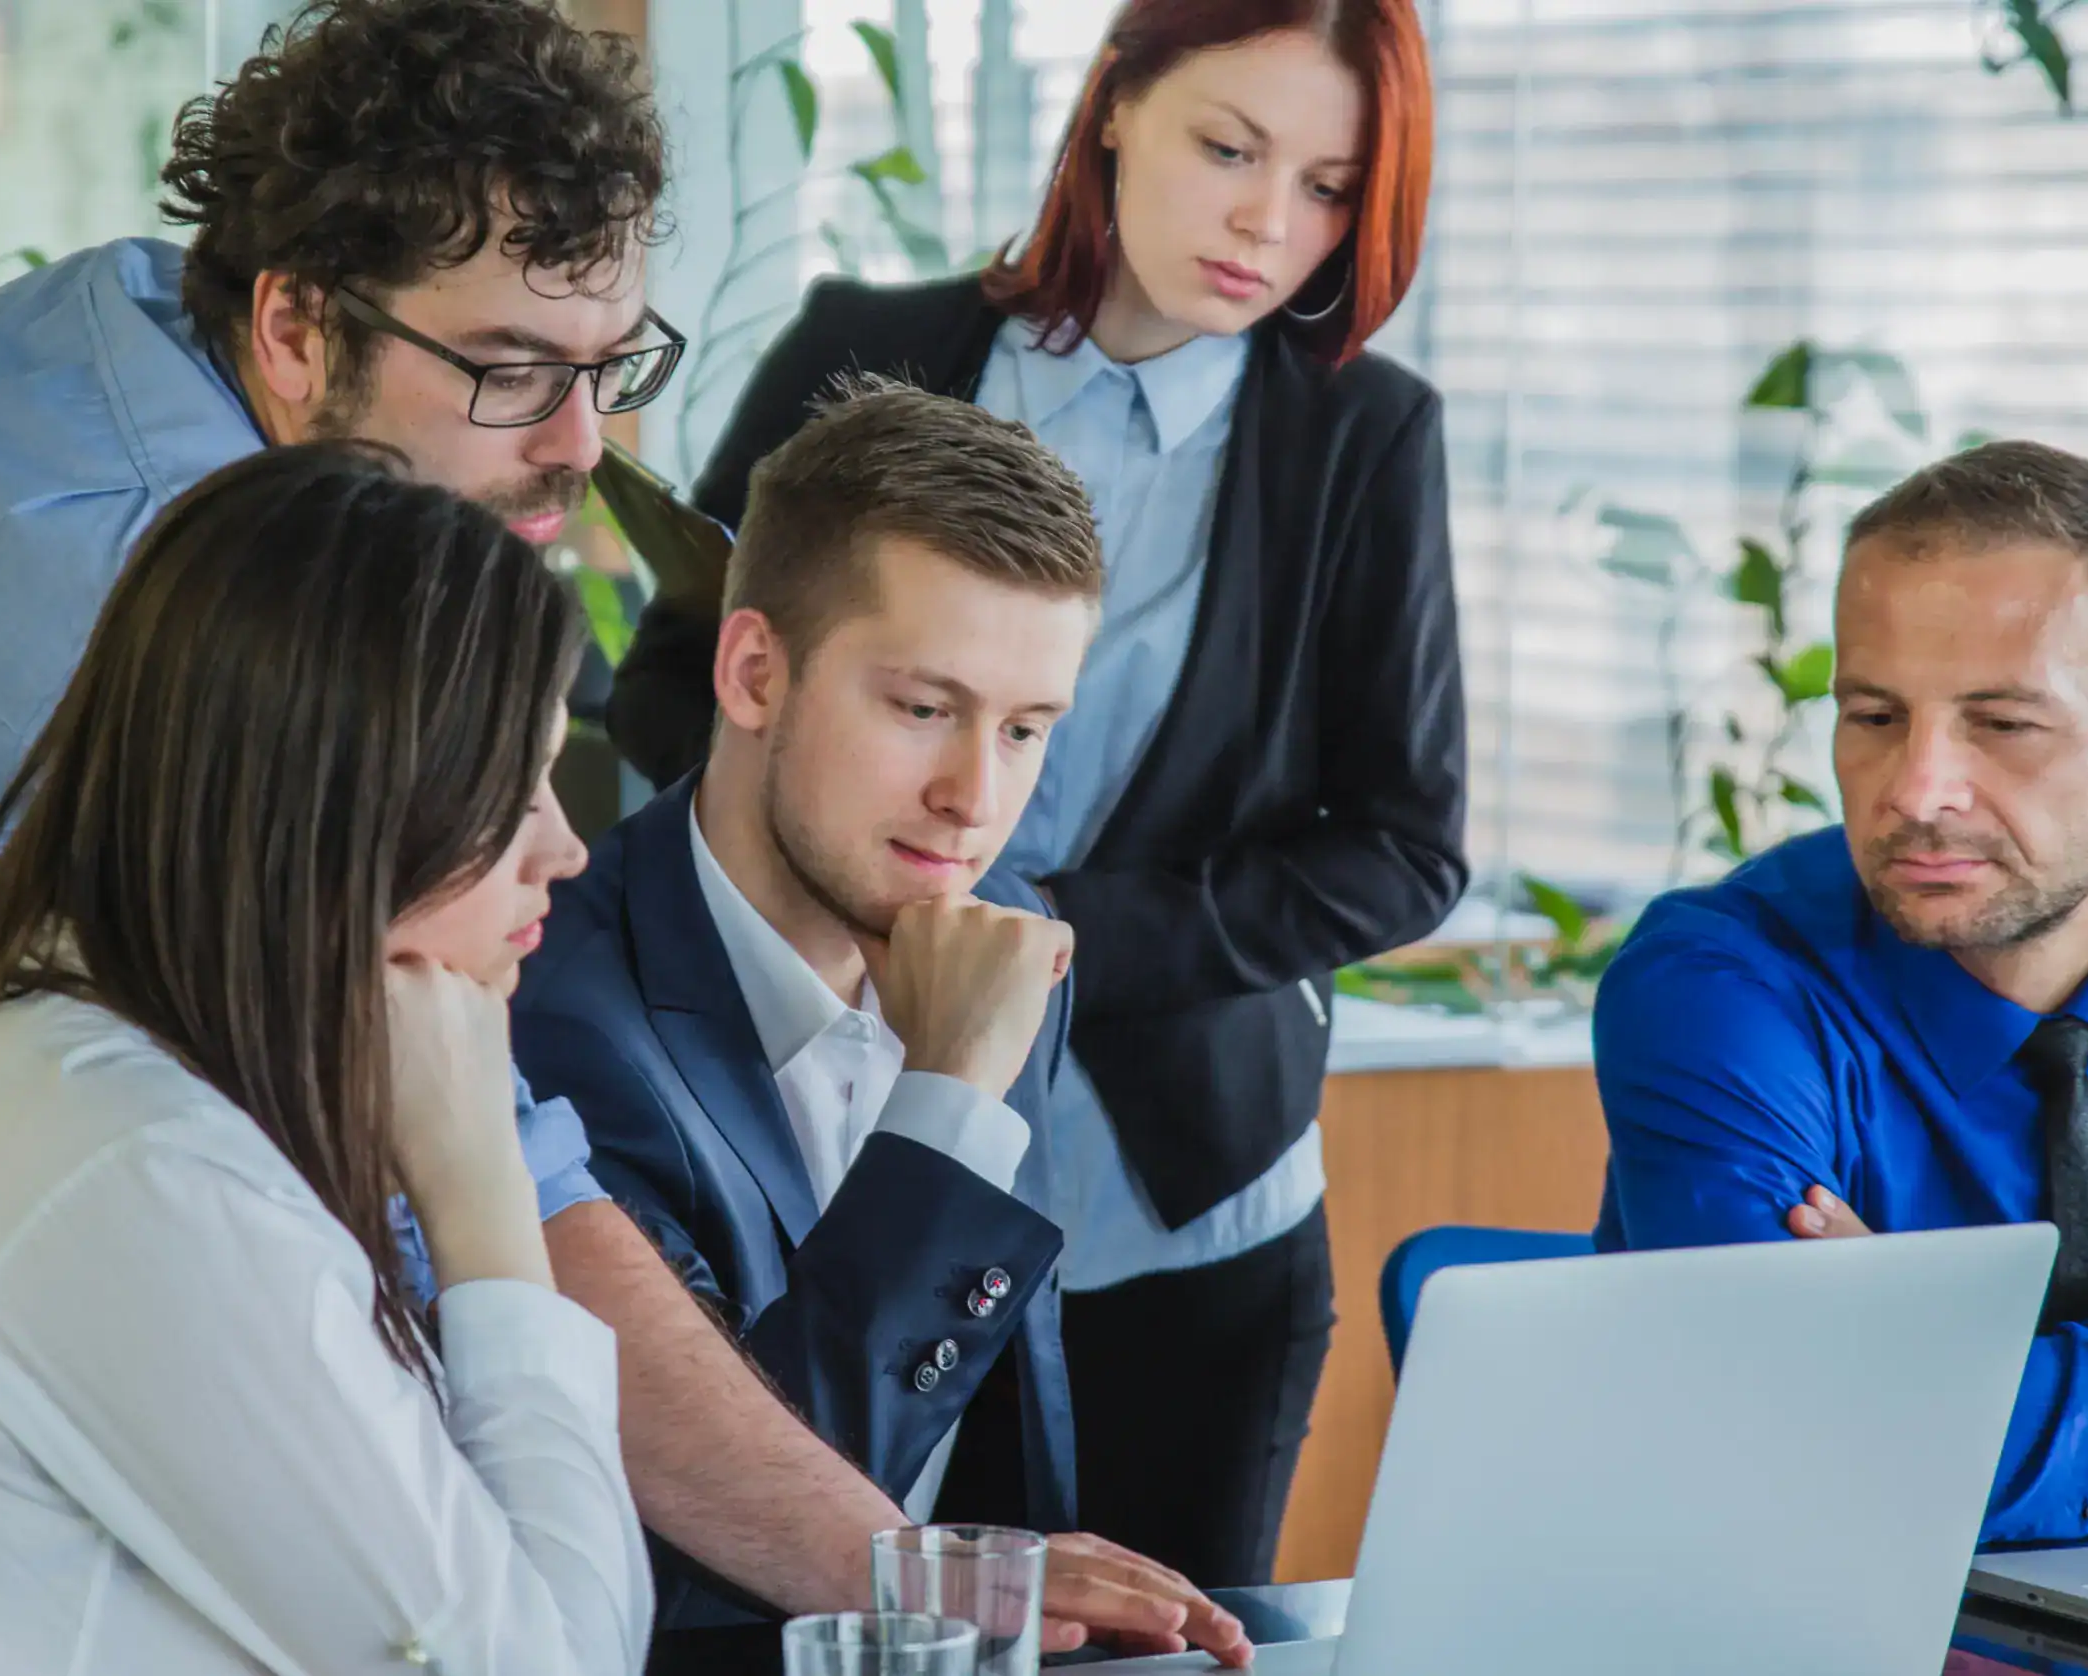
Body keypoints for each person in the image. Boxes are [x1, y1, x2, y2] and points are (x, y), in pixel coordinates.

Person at [0, 0, 945, 1621]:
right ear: (298, 328)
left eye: (609, 367)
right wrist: (891, 1580)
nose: (580, 446)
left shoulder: (134, 338)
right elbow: (475, 1140)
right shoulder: (151, 604)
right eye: (513, 371)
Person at [603, 0, 1466, 1584]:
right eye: (1231, 147)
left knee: (1152, 1622)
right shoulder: (871, 346)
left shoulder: (1361, 438)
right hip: (831, 1133)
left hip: (1182, 1198)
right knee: (837, 1585)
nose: (1271, 224)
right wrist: (810, 893)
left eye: (1333, 187)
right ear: (1118, 103)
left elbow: (1406, 850)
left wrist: (1046, 932)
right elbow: (677, 679)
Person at [0, 445, 651, 1674]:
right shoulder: (128, 1166)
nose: (564, 847)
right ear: (344, 813)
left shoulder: (75, 1063)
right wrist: (486, 1205)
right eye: (516, 787)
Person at [514, 378, 1253, 1666]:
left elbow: (993, 1437)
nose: (976, 797)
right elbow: (745, 1531)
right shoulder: (555, 1012)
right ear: (754, 671)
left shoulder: (1003, 937)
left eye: (1025, 729)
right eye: (923, 708)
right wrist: (951, 1098)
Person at [1594, 439, 2088, 1548]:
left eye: (2002, 723)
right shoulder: (1719, 983)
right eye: (1874, 715)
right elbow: (1804, 1424)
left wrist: (1924, 1352)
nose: (1917, 791)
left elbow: (1892, 1413)